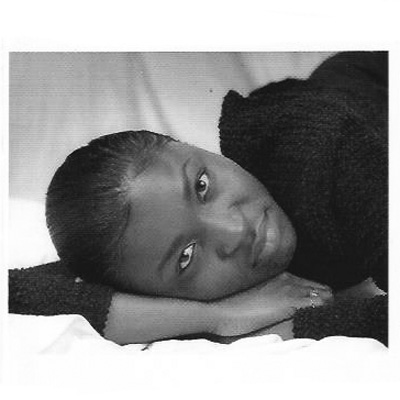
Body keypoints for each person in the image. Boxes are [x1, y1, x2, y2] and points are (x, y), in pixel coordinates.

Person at [9, 51, 388, 346]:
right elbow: (18, 295)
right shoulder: (142, 257)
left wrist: (273, 328)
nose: (236, 229)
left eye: (202, 186)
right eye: (186, 257)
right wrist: (217, 316)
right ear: (151, 293)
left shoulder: (327, 150)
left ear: (198, 148)